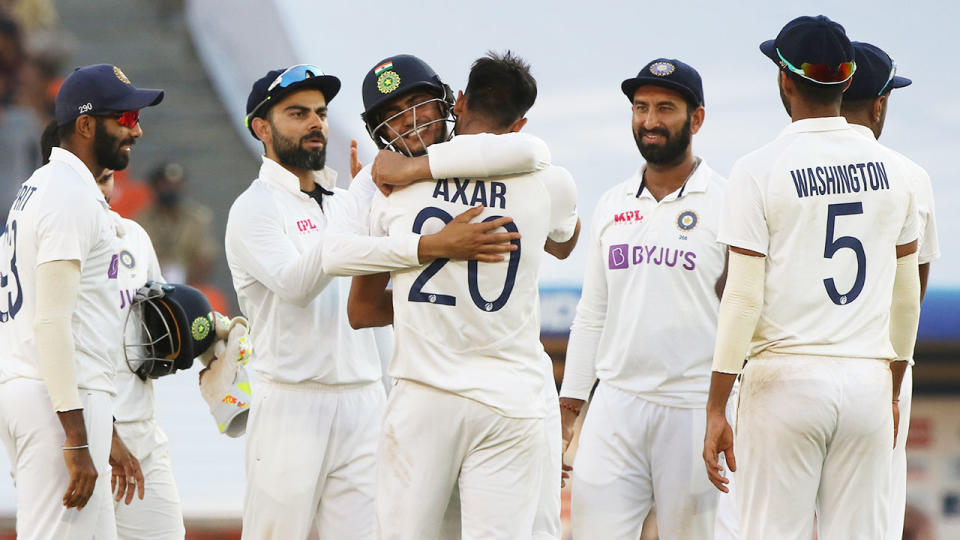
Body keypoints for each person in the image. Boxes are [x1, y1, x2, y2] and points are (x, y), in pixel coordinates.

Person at [225, 63, 528, 539]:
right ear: (262, 128)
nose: (314, 124)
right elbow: (296, 285)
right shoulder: (254, 208)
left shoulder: (345, 201)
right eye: (297, 114)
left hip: (366, 397)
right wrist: (370, 201)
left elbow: (372, 304)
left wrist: (365, 205)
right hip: (291, 403)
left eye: (321, 113)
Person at [321, 52, 573, 540]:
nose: (411, 124)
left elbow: (362, 308)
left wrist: (428, 290)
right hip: (509, 395)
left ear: (456, 101)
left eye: (417, 106)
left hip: (425, 394)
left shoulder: (383, 185)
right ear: (520, 122)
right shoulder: (550, 180)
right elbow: (564, 238)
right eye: (397, 114)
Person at [702, 16, 922, 540]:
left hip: (786, 378)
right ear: (848, 82)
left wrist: (716, 405)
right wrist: (891, 390)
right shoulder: (898, 171)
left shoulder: (757, 168)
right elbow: (906, 297)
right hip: (868, 379)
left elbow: (742, 298)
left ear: (784, 80)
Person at [556, 58, 727, 539]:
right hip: (616, 405)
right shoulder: (612, 203)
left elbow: (747, 314)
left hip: (693, 407)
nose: (650, 121)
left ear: (696, 119)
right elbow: (592, 313)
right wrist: (570, 410)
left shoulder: (729, 203)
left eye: (665, 108)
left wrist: (726, 408)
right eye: (641, 107)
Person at [0, 63, 162, 540]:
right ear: (87, 124)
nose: (137, 130)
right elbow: (52, 323)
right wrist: (76, 434)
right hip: (56, 398)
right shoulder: (69, 194)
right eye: (125, 119)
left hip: (35, 388)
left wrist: (100, 431)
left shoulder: (40, 187)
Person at [40, 124, 186, 540]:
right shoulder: (53, 235)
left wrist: (206, 336)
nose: (102, 192)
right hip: (82, 432)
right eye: (93, 180)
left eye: (106, 180)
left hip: (143, 430)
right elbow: (54, 336)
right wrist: (103, 433)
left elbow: (161, 315)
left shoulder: (134, 237)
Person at [839, 41, 939, 540]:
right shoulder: (910, 175)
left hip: (793, 361)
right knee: (868, 521)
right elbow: (912, 296)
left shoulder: (781, 167)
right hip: (877, 365)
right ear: (879, 104)